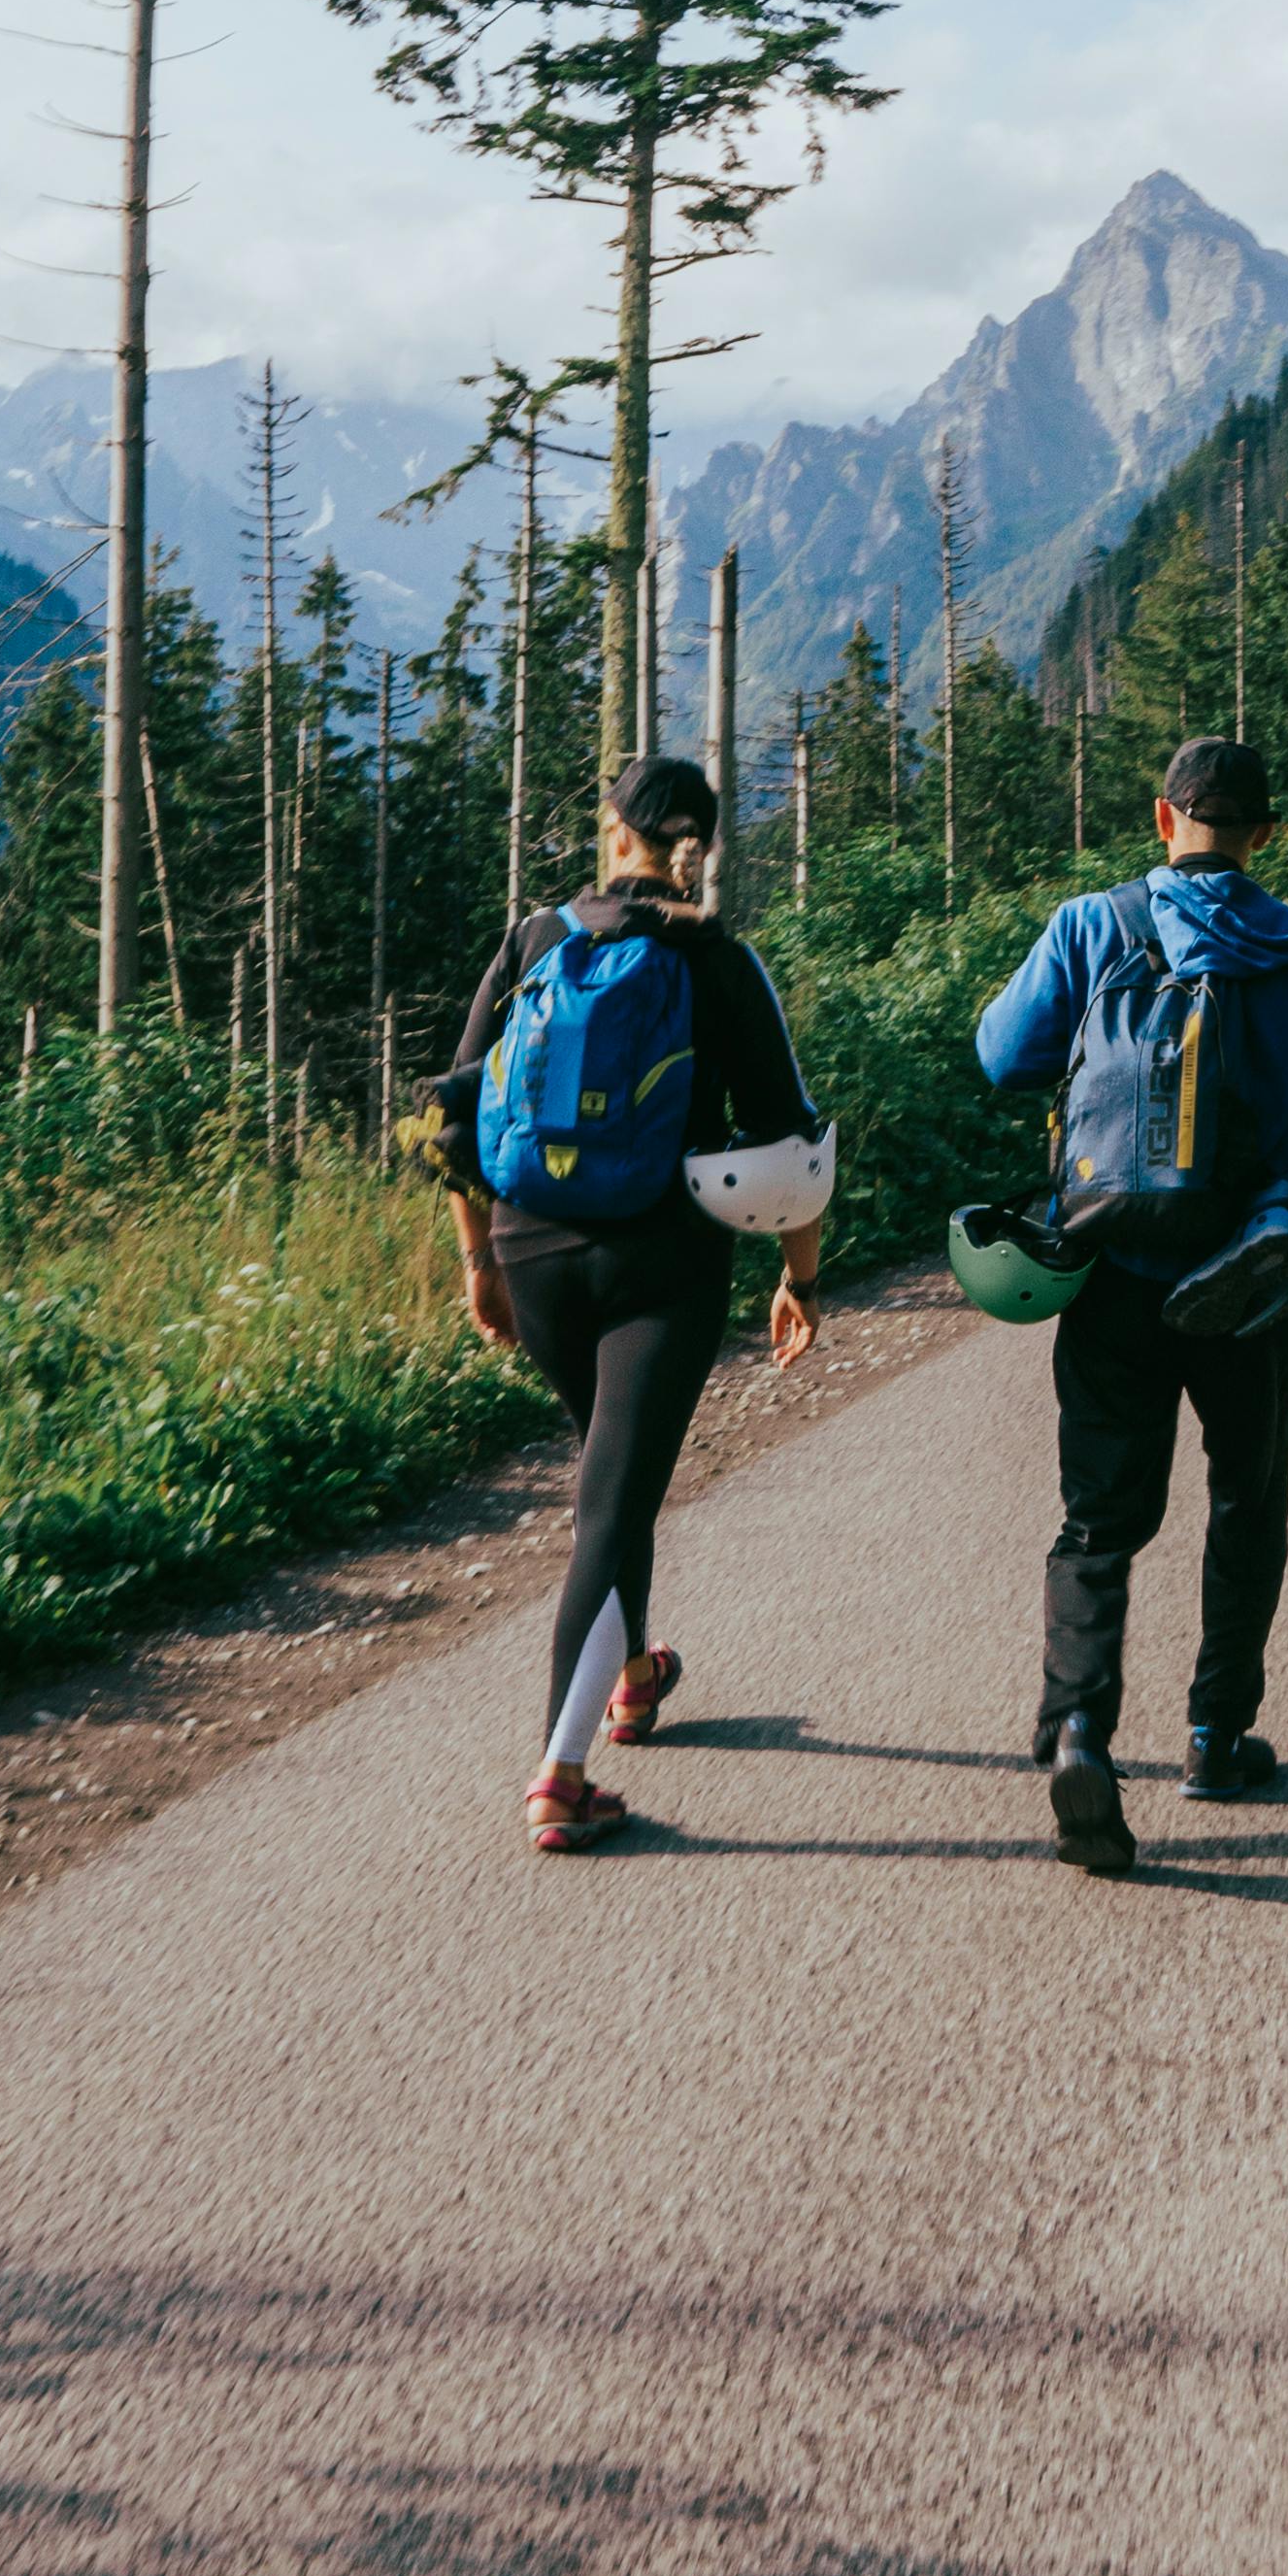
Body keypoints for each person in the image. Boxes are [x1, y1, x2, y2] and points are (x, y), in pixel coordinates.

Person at [977, 733, 1288, 1879]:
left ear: (1165, 822)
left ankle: (1079, 1733)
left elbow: (1002, 1056)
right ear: (1262, 836)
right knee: (1246, 1500)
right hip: (1257, 1285)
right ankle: (1215, 1734)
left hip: (1111, 1270)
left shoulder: (1091, 925)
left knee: (1098, 1518)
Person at [440, 751, 835, 1856]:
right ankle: (560, 1779)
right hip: (662, 1263)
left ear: (611, 838)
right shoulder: (717, 961)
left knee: (616, 1467)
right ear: (698, 846)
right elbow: (790, 1146)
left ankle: (628, 1679)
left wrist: (480, 1260)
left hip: (536, 1253)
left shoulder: (534, 940)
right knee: (611, 1502)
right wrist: (799, 1279)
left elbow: (451, 1120)